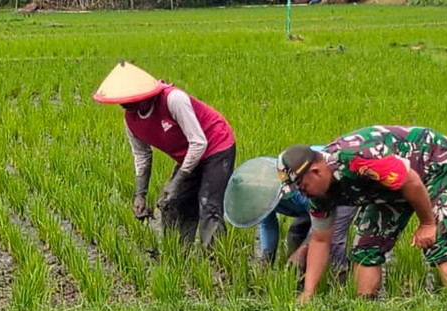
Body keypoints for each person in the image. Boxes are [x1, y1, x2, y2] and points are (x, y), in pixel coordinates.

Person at [276, 125, 447, 303]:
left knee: (439, 244)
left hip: (432, 163)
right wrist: (308, 293)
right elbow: (320, 240)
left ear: (316, 171)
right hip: (388, 186)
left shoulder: (357, 158)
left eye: (302, 187)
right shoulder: (318, 194)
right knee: (365, 250)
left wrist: (427, 224)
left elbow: (412, 181)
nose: (302, 193)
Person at [93, 61, 236, 248]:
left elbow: (199, 142)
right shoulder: (131, 120)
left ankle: (217, 261)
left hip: (216, 146)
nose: (123, 105)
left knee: (208, 205)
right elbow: (142, 156)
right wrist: (140, 195)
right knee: (172, 202)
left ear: (144, 96)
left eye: (128, 100)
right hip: (189, 155)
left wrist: (176, 182)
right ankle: (177, 254)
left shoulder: (173, 99)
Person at [223, 154, 356, 281]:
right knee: (295, 233)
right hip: (309, 207)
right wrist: (266, 260)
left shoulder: (298, 191)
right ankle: (299, 274)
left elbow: (319, 224)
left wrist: (302, 250)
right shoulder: (260, 199)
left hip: (337, 192)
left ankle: (338, 282)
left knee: (333, 240)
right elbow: (268, 226)